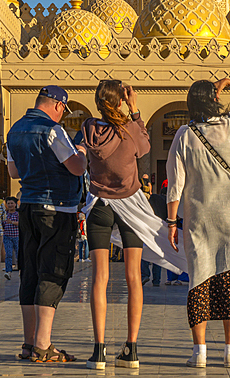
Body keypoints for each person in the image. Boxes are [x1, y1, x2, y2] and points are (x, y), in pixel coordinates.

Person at [79, 79, 185, 370]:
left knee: (100, 279)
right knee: (133, 278)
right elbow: (145, 147)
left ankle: (99, 351)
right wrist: (134, 110)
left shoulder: (89, 127)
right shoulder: (130, 131)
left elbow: (81, 151)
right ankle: (131, 349)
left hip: (99, 207)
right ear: (120, 101)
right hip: (131, 209)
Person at [167, 77, 230, 369]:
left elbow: (175, 184)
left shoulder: (185, 134)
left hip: (199, 217)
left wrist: (172, 222)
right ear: (216, 98)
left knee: (200, 280)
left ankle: (200, 352)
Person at [7, 85, 86, 363]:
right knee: (52, 271)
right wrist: (81, 151)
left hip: (27, 206)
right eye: (63, 111)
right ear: (58, 106)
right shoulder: (53, 130)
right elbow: (76, 167)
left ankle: (29, 343)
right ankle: (43, 344)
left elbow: (14, 171)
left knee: (29, 272)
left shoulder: (14, 130)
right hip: (56, 209)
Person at [2, 196, 21, 279]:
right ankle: (8, 271)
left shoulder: (18, 213)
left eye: (11, 203)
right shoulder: (5, 214)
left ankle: (21, 270)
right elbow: (2, 224)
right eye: (8, 203)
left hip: (17, 236)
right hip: (7, 237)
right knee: (8, 254)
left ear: (15, 204)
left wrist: (12, 222)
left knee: (19, 254)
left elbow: (21, 223)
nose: (10, 205)